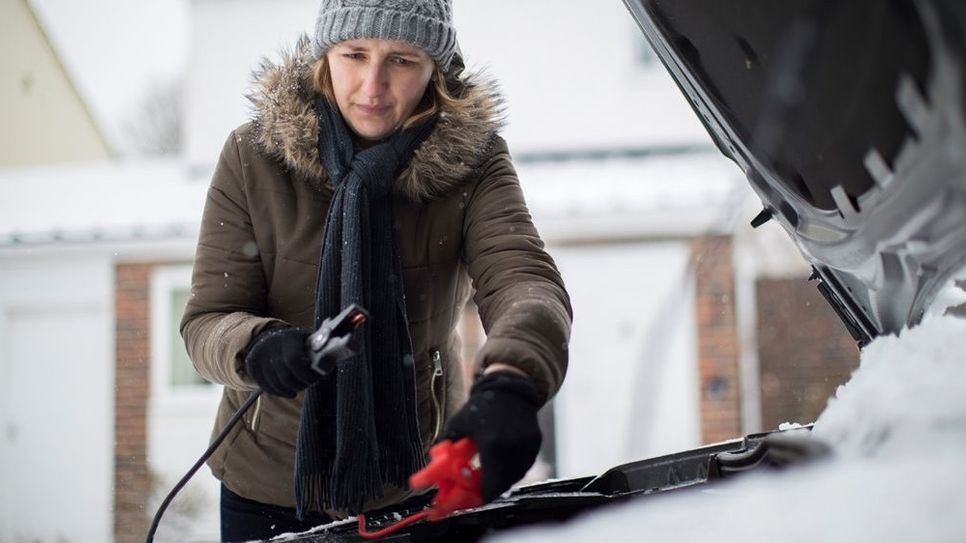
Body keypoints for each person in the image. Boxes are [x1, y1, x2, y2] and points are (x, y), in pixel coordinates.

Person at [180, 1, 572, 541]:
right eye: (355, 54)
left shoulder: (474, 162)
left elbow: (524, 278)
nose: (372, 85)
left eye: (403, 60)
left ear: (436, 67)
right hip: (266, 483)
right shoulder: (254, 156)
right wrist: (257, 345)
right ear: (325, 56)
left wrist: (513, 379)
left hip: (418, 478)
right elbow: (207, 319)